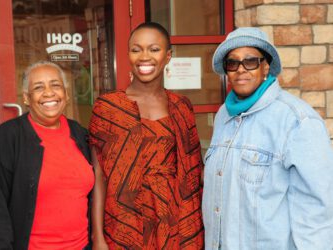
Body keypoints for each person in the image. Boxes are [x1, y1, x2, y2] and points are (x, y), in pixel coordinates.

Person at [202, 27, 333, 250]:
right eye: (232, 63)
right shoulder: (224, 115)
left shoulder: (297, 120)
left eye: (250, 61)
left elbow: (317, 212)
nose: (240, 70)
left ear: (266, 67)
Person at [89, 22, 204, 249]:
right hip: (124, 225)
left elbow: (193, 172)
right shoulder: (108, 108)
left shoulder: (181, 107)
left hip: (176, 224)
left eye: (154, 49)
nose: (144, 57)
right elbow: (99, 175)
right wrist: (98, 237)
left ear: (168, 56)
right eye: (136, 49)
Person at [0, 61, 94, 249]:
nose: (49, 93)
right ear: (26, 98)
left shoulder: (80, 134)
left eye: (56, 85)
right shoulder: (9, 136)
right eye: (38, 87)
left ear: (66, 95)